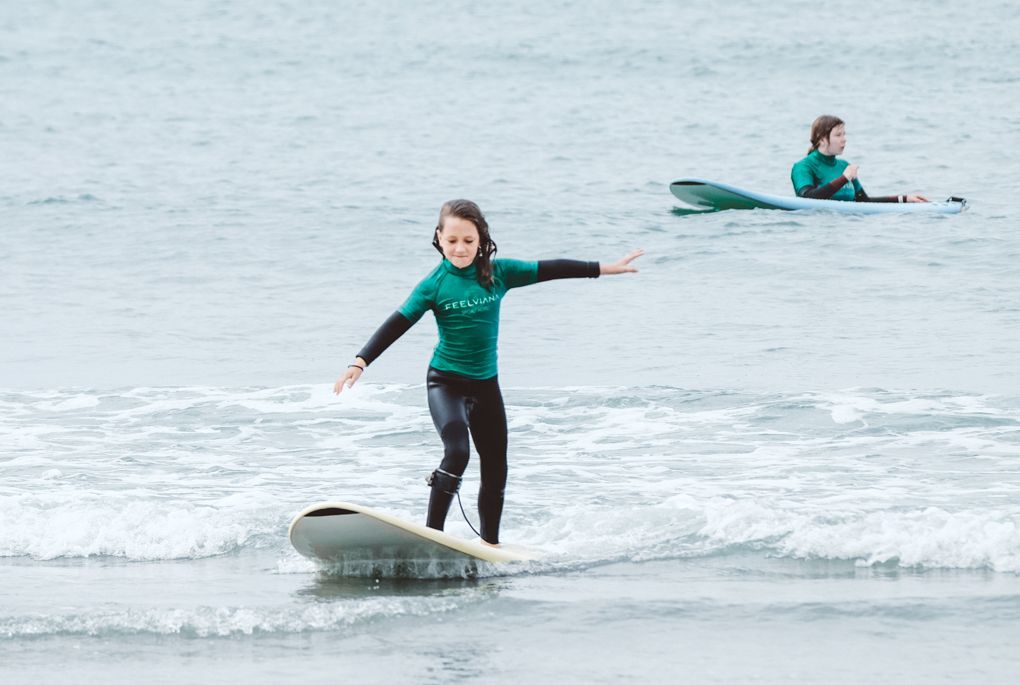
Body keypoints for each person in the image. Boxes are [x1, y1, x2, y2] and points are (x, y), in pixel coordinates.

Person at [333, 199, 642, 547]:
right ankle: (432, 536)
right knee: (458, 452)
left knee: (496, 470)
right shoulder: (433, 285)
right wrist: (360, 362)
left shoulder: (499, 273)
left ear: (481, 238)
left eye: (468, 240)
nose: (460, 248)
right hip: (445, 383)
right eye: (452, 241)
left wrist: (602, 268)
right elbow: (397, 324)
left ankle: (489, 546)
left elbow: (551, 268)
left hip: (486, 387)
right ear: (439, 238)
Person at [791, 115, 929, 203]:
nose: (844, 140)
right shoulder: (803, 167)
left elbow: (863, 201)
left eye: (844, 134)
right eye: (838, 135)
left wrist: (904, 199)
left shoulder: (844, 166)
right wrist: (844, 179)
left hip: (847, 230)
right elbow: (806, 198)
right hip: (816, 231)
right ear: (822, 140)